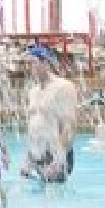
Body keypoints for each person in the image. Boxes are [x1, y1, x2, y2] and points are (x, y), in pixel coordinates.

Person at [21, 43, 81, 182]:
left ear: (46, 63)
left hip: (56, 154)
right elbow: (34, 127)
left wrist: (58, 160)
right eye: (27, 63)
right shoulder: (33, 92)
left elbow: (70, 126)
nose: (28, 67)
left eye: (32, 62)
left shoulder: (64, 87)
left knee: (55, 199)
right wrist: (28, 160)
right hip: (37, 154)